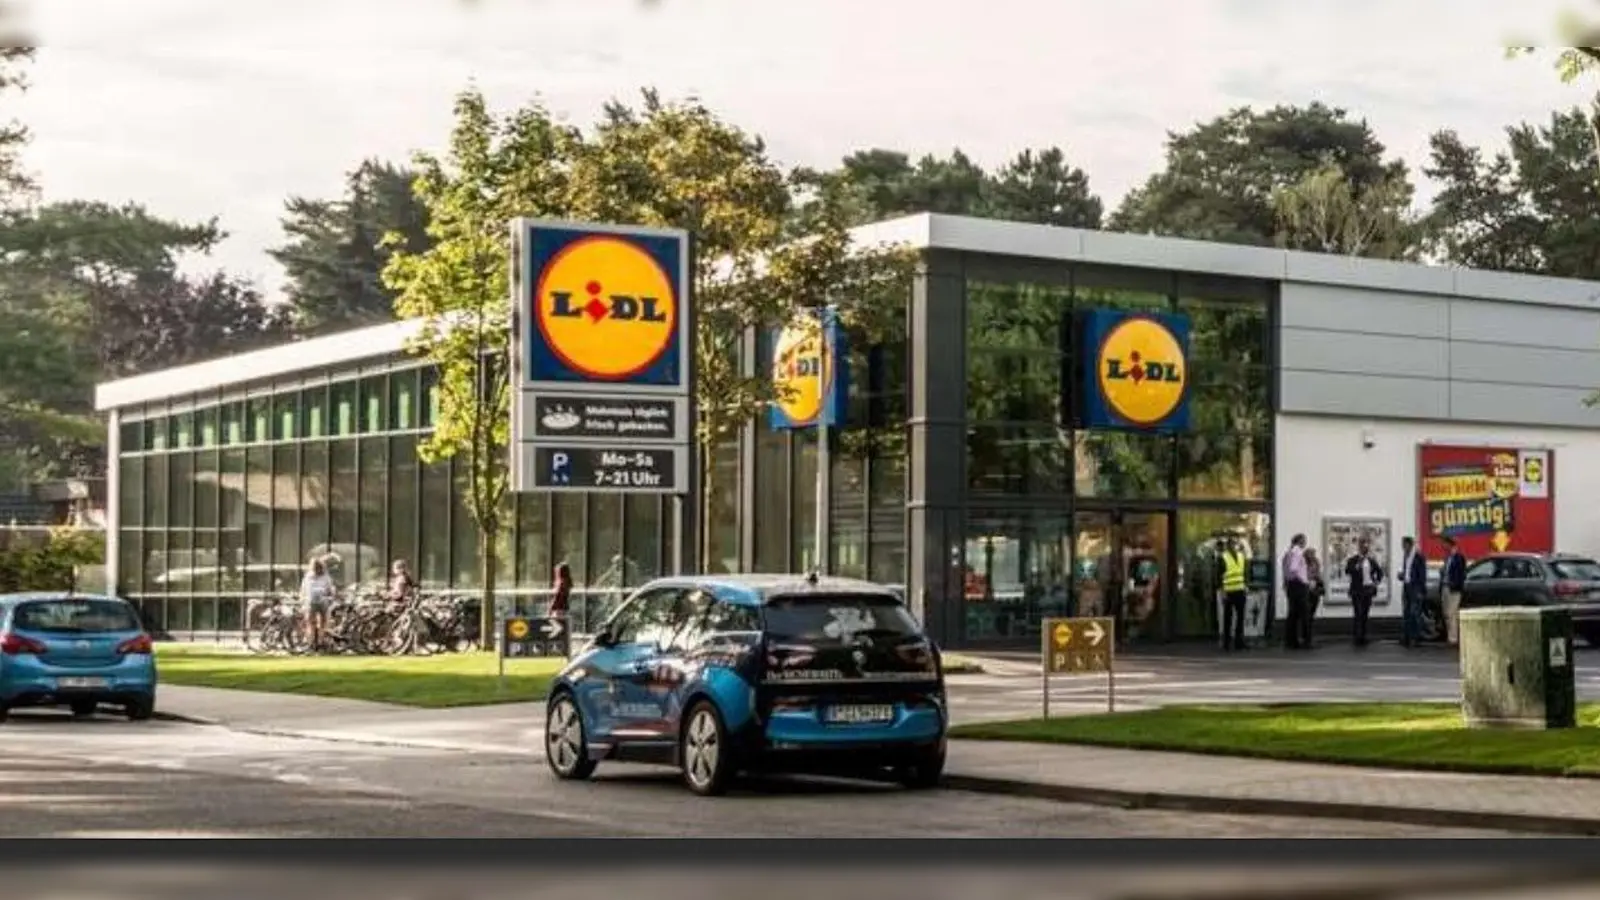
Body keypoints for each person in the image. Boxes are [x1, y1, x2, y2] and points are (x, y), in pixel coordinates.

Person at [1344, 537, 1384, 647]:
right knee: (1358, 613)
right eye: (1362, 547)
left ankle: (1364, 636)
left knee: (1365, 614)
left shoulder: (1371, 560)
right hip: (1357, 590)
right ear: (1359, 548)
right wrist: (1358, 565)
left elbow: (1380, 572)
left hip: (1368, 589)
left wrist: (1376, 582)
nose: (1365, 549)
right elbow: (1348, 571)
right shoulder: (1353, 560)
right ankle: (1357, 636)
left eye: (1366, 547)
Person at [1219, 537, 1249, 651]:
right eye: (1232, 544)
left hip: (1240, 590)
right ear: (1228, 546)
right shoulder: (1223, 557)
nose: (1234, 546)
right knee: (1228, 618)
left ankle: (1239, 642)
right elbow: (1219, 575)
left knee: (1240, 618)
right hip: (1229, 591)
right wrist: (1222, 591)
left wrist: (1246, 585)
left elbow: (1244, 572)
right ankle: (1226, 642)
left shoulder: (1241, 556)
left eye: (1235, 544)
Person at [1281, 534, 1310, 650]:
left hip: (1291, 586)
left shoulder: (1288, 552)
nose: (1305, 543)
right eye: (1304, 540)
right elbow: (1294, 569)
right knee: (1304, 613)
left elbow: (1286, 570)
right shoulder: (1297, 552)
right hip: (1298, 586)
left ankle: (1291, 641)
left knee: (1292, 614)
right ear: (1299, 541)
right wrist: (1304, 580)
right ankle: (1305, 640)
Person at [300, 556, 335, 651]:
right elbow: (330, 590)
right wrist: (331, 598)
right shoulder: (325, 576)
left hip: (311, 602)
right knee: (323, 623)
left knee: (311, 623)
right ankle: (320, 641)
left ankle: (311, 643)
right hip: (322, 602)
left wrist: (303, 601)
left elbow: (303, 590)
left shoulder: (307, 576)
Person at [1398, 536, 1427, 648]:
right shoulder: (1406, 556)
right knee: (1406, 613)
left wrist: (1421, 590)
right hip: (1406, 586)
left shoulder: (1419, 556)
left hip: (1415, 588)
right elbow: (1406, 571)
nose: (1403, 547)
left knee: (1414, 613)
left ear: (1410, 545)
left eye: (1404, 545)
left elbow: (1422, 575)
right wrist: (1402, 576)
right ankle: (1406, 636)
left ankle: (1415, 638)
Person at [1441, 536, 1467, 647]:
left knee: (1452, 613)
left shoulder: (1459, 558)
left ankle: (1453, 638)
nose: (1443, 547)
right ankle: (1450, 635)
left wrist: (1455, 584)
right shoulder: (1447, 558)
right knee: (1446, 613)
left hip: (1454, 589)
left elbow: (1461, 574)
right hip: (1445, 587)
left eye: (1445, 544)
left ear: (1450, 545)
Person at [1303, 547, 1325, 649]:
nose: (1312, 556)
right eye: (1310, 554)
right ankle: (1307, 639)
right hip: (1306, 590)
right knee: (1306, 615)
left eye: (1313, 553)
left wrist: (1319, 581)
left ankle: (1309, 637)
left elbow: (1318, 574)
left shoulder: (1316, 562)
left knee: (1311, 615)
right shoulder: (1303, 563)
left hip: (1314, 590)